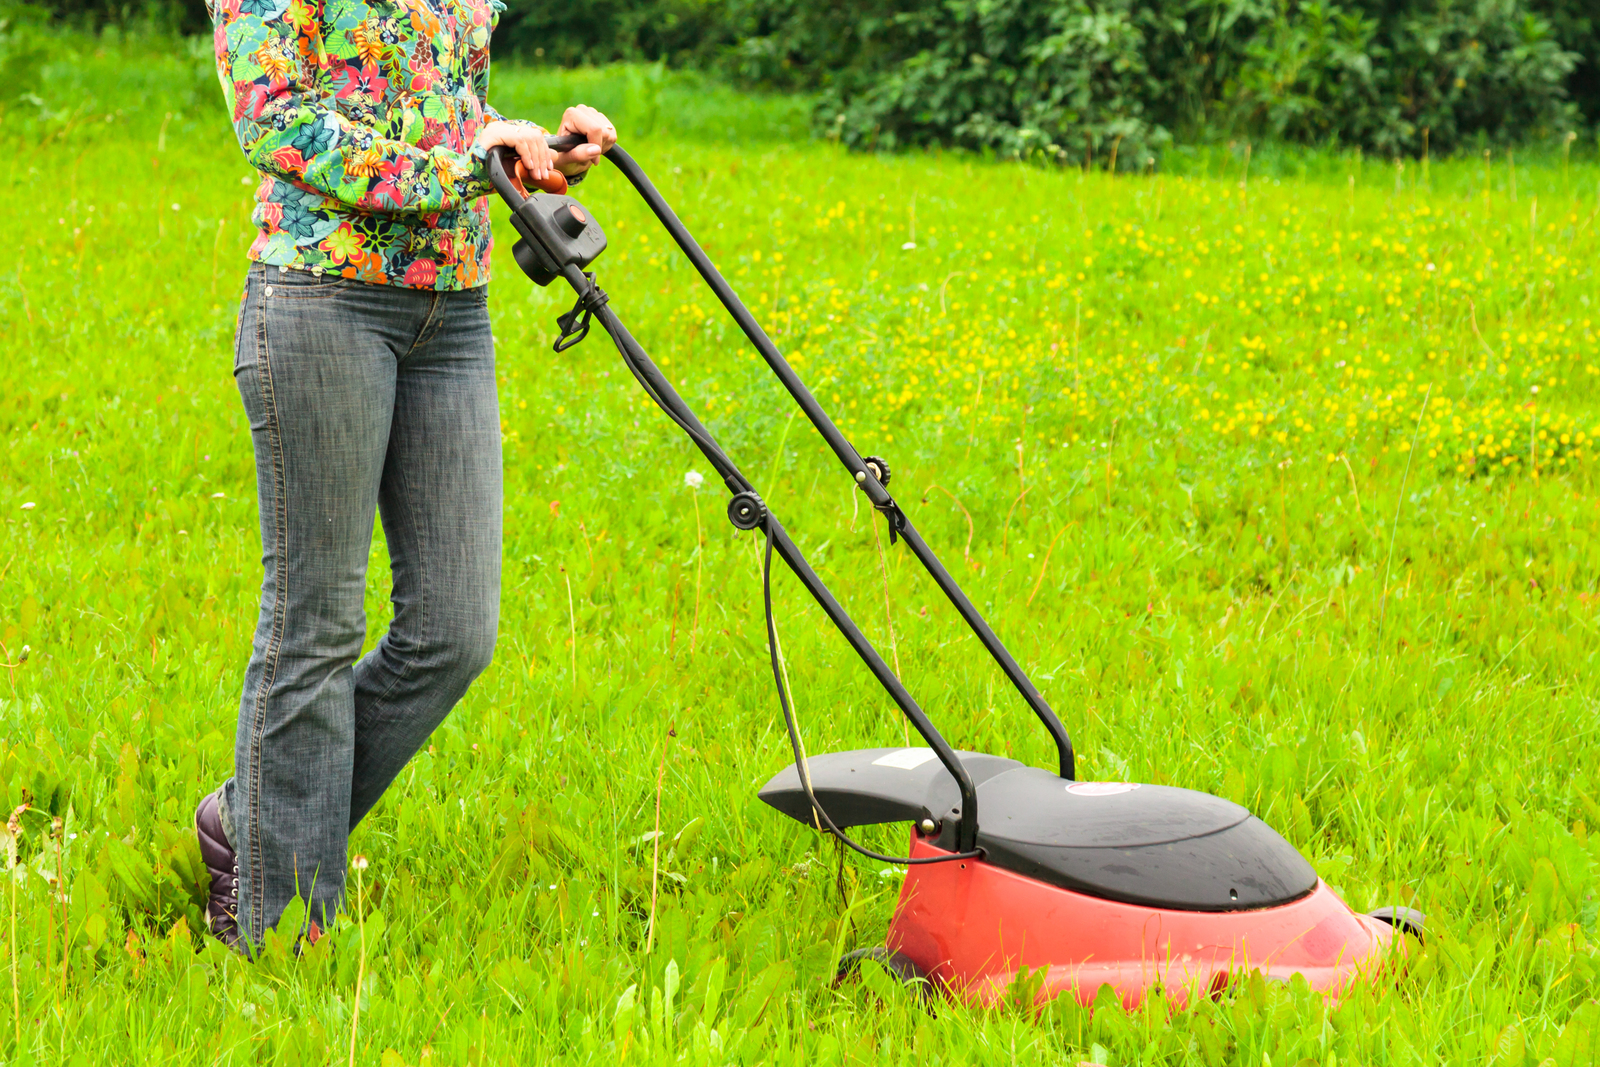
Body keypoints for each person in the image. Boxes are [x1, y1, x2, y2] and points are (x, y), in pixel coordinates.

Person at [194, 0, 616, 951]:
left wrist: (523, 148)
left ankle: (246, 819)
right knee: (318, 620)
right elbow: (278, 120)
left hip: (452, 314)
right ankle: (276, 932)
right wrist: (465, 164)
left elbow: (433, 99)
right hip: (322, 295)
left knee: (455, 629)